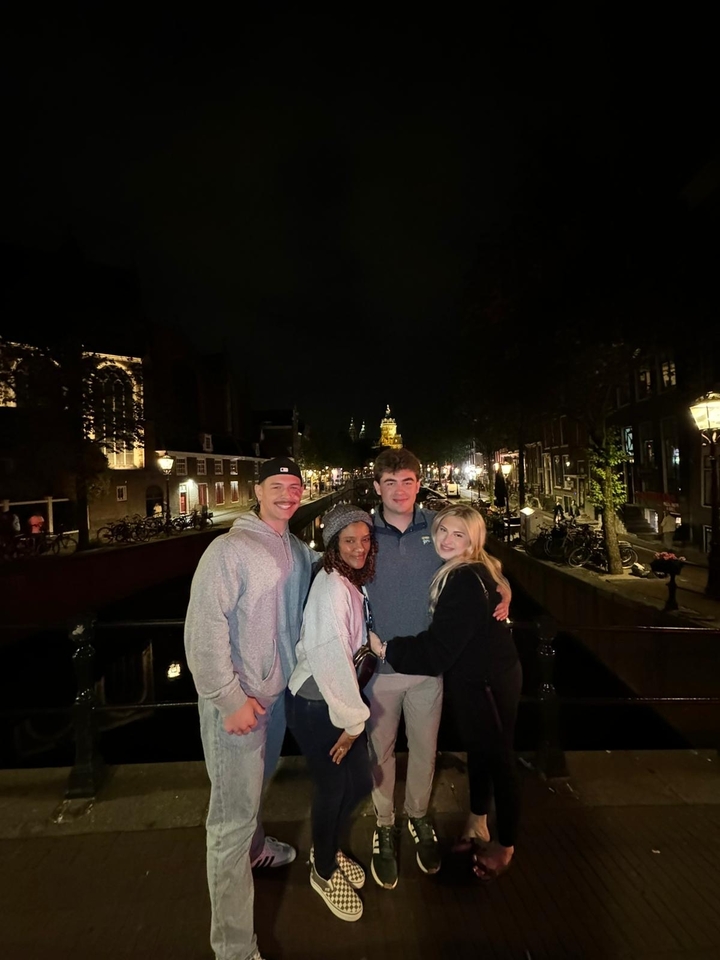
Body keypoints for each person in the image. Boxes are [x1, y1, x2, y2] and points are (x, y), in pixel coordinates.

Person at [184, 456, 320, 960]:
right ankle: (234, 949)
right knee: (229, 824)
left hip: (273, 697)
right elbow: (203, 631)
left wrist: (484, 571)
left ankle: (257, 849)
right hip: (239, 706)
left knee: (252, 794)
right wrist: (229, 699)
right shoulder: (228, 550)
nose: (287, 493)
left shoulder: (297, 550)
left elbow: (342, 567)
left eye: (294, 486)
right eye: (276, 485)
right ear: (257, 491)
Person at [364, 447, 510, 890]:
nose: (400, 490)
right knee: (379, 753)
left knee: (425, 751)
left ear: (419, 483)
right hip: (381, 668)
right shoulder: (362, 532)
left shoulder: (438, 527)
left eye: (408, 481)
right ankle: (384, 824)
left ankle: (418, 815)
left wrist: (503, 586)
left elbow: (479, 558)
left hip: (428, 667)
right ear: (377, 487)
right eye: (390, 482)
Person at [286, 504, 376, 922]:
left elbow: (350, 635)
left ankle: (327, 846)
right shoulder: (331, 588)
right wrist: (353, 724)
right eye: (349, 541)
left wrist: (373, 642)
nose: (359, 548)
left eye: (365, 539)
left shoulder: (346, 580)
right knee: (333, 788)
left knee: (359, 782)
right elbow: (330, 656)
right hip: (316, 702)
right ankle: (322, 871)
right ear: (333, 545)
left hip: (333, 699)